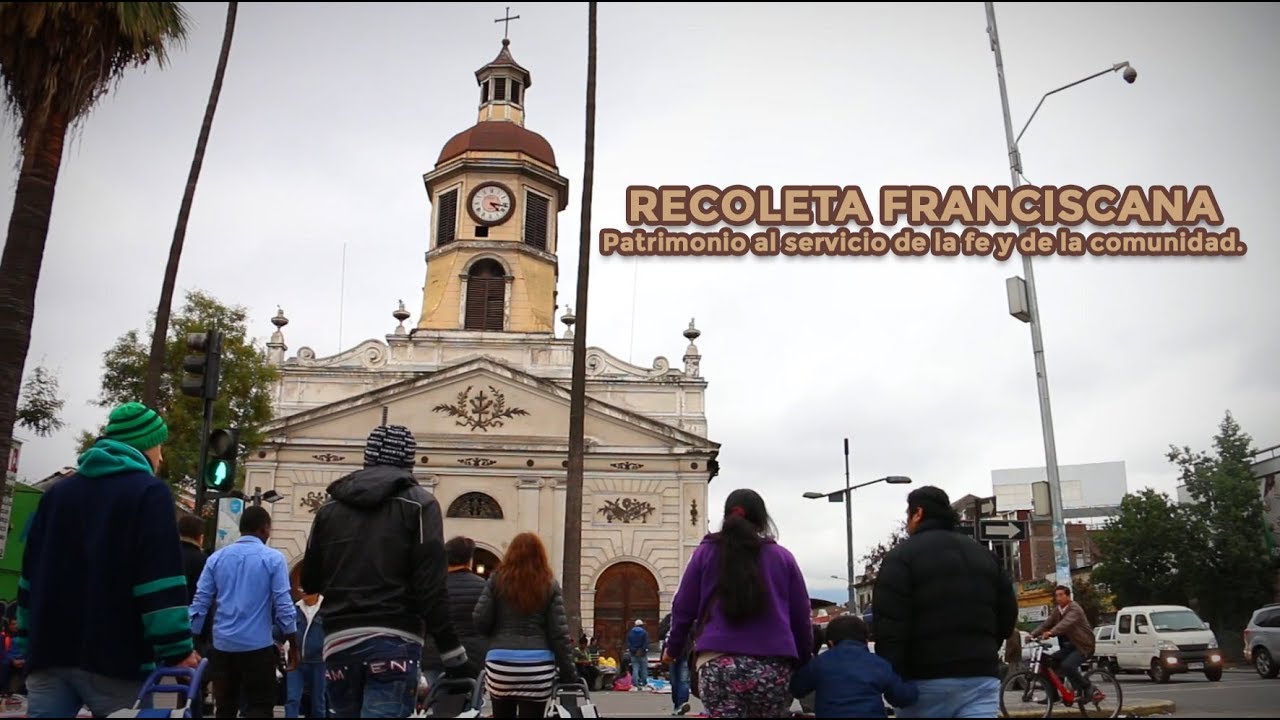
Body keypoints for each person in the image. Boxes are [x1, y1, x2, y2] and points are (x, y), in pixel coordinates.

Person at [15, 402, 200, 718]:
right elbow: (158, 582)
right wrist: (177, 651)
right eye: (159, 446)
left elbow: (30, 574)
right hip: (117, 659)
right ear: (145, 445)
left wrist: (24, 640)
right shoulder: (148, 494)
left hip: (49, 653)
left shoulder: (57, 495)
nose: (161, 457)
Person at [301, 424, 470, 718]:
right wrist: (452, 653)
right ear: (409, 461)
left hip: (339, 641)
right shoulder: (420, 505)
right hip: (394, 639)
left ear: (367, 458)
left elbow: (310, 580)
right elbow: (430, 587)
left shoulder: (329, 509)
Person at [662, 489, 813, 718]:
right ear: (762, 519)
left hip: (718, 666)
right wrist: (802, 659)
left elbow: (683, 607)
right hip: (773, 668)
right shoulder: (782, 558)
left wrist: (672, 649)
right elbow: (801, 617)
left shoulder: (705, 553)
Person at [871, 486, 1018, 718]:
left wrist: (893, 676)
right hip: (980, 677)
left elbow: (890, 624)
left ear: (917, 513)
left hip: (924, 679)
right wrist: (985, 647)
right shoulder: (985, 555)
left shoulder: (901, 557)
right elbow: (1007, 614)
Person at [190, 506, 299, 719]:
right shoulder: (273, 559)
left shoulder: (216, 559)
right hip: (257, 647)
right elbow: (284, 604)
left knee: (224, 708)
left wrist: (192, 643)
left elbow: (199, 604)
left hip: (222, 647)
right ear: (265, 528)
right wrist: (293, 643)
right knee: (259, 707)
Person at [473, 532, 577, 718]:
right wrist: (568, 672)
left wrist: (496, 636)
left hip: (500, 663)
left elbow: (480, 621)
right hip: (538, 666)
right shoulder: (549, 584)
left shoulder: (496, 580)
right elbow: (558, 634)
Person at [790, 614, 917, 718]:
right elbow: (903, 698)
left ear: (831, 643)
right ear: (866, 641)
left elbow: (797, 689)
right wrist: (911, 679)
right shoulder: (878, 664)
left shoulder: (819, 663)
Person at [421, 536, 488, 716]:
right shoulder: (483, 588)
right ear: (470, 559)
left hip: (434, 655)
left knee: (435, 706)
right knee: (469, 709)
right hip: (471, 659)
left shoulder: (432, 587)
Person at [1032, 585, 1102, 704]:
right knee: (1047, 663)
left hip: (1083, 646)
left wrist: (1051, 632)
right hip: (1069, 647)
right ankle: (1053, 696)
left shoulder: (1074, 609)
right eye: (1056, 595)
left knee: (1067, 665)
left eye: (1061, 595)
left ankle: (1088, 687)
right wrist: (1032, 634)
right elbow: (1046, 623)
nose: (1058, 598)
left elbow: (1065, 624)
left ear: (1068, 596)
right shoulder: (1057, 610)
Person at [284, 594, 326, 719]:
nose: (304, 591)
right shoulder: (294, 608)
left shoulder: (327, 608)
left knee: (318, 702)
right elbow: (281, 629)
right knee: (292, 699)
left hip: (320, 662)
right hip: (296, 661)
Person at [627, 619, 650, 689]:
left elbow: (629, 643)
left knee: (635, 668)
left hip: (633, 653)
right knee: (643, 668)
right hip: (642, 653)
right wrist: (642, 650)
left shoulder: (630, 633)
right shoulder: (644, 633)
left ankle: (635, 683)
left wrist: (633, 650)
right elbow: (645, 643)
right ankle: (644, 683)